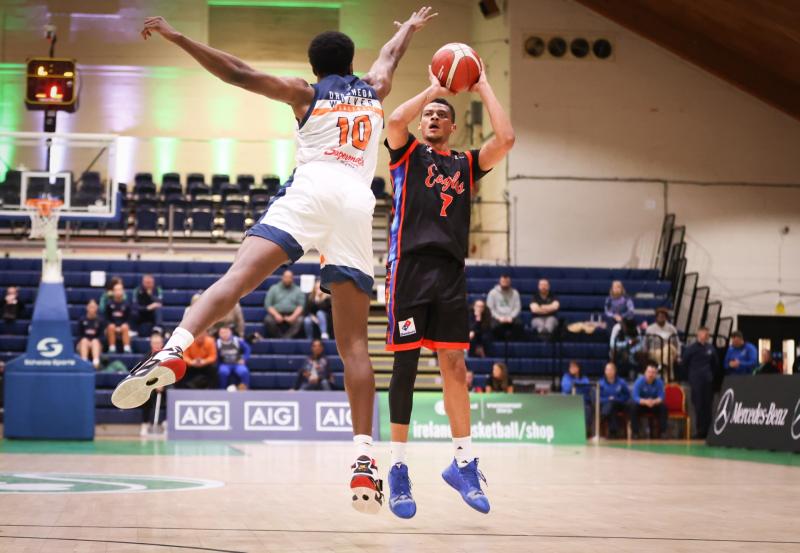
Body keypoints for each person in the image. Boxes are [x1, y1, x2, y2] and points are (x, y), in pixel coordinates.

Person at [112, 8, 436, 515]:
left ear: (314, 66)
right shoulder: (374, 90)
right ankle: (363, 458)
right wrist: (407, 29)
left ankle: (173, 349)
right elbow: (389, 57)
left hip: (312, 190)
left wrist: (178, 37)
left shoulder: (307, 93)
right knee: (353, 342)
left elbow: (238, 72)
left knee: (238, 277)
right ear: (350, 61)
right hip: (356, 203)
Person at [382, 63, 514, 519]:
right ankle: (397, 469)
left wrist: (484, 85)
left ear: (455, 127)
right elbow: (394, 120)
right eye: (430, 113)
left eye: (442, 113)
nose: (433, 117)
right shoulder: (407, 152)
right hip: (410, 269)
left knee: (455, 365)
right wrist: (432, 88)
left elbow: (507, 139)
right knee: (406, 363)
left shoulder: (464, 163)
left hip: (451, 272)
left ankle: (463, 462)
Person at [679, 327, 717, 439]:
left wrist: (710, 376)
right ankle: (700, 431)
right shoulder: (691, 348)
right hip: (696, 381)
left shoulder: (711, 348)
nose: (705, 336)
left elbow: (715, 364)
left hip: (708, 380)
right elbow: (684, 363)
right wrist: (691, 377)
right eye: (703, 334)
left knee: (708, 406)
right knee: (698, 405)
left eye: (707, 334)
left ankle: (709, 431)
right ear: (698, 334)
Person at [263, 270, 306, 339]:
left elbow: (301, 306)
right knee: (268, 320)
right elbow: (268, 304)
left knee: (300, 320)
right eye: (286, 277)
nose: (288, 279)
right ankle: (279, 338)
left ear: (292, 279)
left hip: (293, 314)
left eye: (290, 277)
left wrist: (293, 316)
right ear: (282, 277)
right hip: (276, 314)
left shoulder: (298, 290)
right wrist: (276, 315)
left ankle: (287, 338)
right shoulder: (274, 288)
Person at [631, 364, 667, 439]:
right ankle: (635, 433)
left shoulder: (659, 382)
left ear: (656, 374)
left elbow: (661, 397)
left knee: (663, 407)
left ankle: (663, 432)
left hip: (654, 404)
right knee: (633, 407)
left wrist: (654, 401)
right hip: (642, 405)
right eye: (649, 372)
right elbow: (635, 397)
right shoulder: (639, 381)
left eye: (653, 372)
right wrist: (645, 401)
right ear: (645, 373)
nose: (651, 374)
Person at [141, 332, 167, 436]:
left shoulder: (167, 355)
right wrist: (155, 384)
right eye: (154, 343)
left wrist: (162, 383)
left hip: (165, 382)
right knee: (146, 394)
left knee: (171, 392)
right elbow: (143, 373)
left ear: (162, 344)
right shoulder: (147, 357)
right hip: (150, 382)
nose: (156, 345)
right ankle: (145, 423)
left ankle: (167, 422)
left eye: (158, 343)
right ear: (151, 344)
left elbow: (169, 371)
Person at [598, 362, 630, 438]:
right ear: (605, 371)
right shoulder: (600, 383)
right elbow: (597, 398)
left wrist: (617, 399)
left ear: (614, 371)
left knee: (613, 404)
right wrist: (608, 399)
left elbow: (627, 395)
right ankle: (613, 432)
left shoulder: (621, 382)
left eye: (610, 370)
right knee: (611, 406)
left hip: (619, 404)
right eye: (607, 370)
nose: (609, 371)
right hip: (605, 404)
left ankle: (604, 415)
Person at [486, 274, 522, 340]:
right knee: (492, 326)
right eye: (503, 281)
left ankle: (513, 343)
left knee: (519, 325)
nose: (505, 283)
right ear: (500, 282)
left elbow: (517, 308)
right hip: (497, 317)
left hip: (511, 317)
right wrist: (499, 318)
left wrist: (511, 317)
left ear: (510, 282)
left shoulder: (515, 293)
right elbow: (490, 309)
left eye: (507, 282)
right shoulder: (492, 292)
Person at [561, 360, 593, 434]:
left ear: (579, 368)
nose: (572, 368)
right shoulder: (566, 377)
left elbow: (587, 388)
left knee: (587, 409)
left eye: (574, 367)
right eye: (571, 367)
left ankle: (584, 432)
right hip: (569, 402)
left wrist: (576, 385)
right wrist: (578, 386)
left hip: (583, 402)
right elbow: (567, 388)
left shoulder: (584, 378)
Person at [216, 326, 251, 390]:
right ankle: (222, 390)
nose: (224, 334)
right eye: (222, 333)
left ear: (230, 332)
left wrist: (244, 359)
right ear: (219, 334)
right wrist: (218, 364)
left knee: (244, 371)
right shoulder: (217, 343)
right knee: (222, 372)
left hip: (237, 363)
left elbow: (247, 348)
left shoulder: (237, 340)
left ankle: (245, 390)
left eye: (226, 332)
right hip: (225, 364)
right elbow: (216, 356)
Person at [77, 299, 106, 369]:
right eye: (90, 307)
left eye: (93, 307)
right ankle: (84, 363)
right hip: (83, 343)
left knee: (95, 341)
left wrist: (92, 342)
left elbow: (102, 337)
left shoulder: (100, 320)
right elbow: (79, 335)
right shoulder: (82, 320)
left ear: (96, 308)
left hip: (97, 344)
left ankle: (96, 363)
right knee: (84, 340)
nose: (92, 309)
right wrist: (87, 342)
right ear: (87, 307)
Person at [105, 282, 132, 353]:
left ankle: (127, 348)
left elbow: (129, 318)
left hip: (123, 327)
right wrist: (113, 326)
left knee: (125, 327)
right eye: (116, 290)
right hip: (112, 327)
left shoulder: (126, 304)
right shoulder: (109, 304)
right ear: (113, 292)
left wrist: (123, 325)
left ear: (123, 291)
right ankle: (112, 348)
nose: (118, 292)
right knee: (111, 326)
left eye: (120, 290)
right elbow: (106, 318)